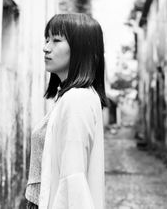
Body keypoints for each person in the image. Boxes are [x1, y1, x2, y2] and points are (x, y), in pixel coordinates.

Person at [25, 13, 107, 209]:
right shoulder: (69, 97)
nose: (46, 48)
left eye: (56, 40)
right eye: (46, 39)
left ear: (81, 48)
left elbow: (73, 181)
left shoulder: (77, 99)